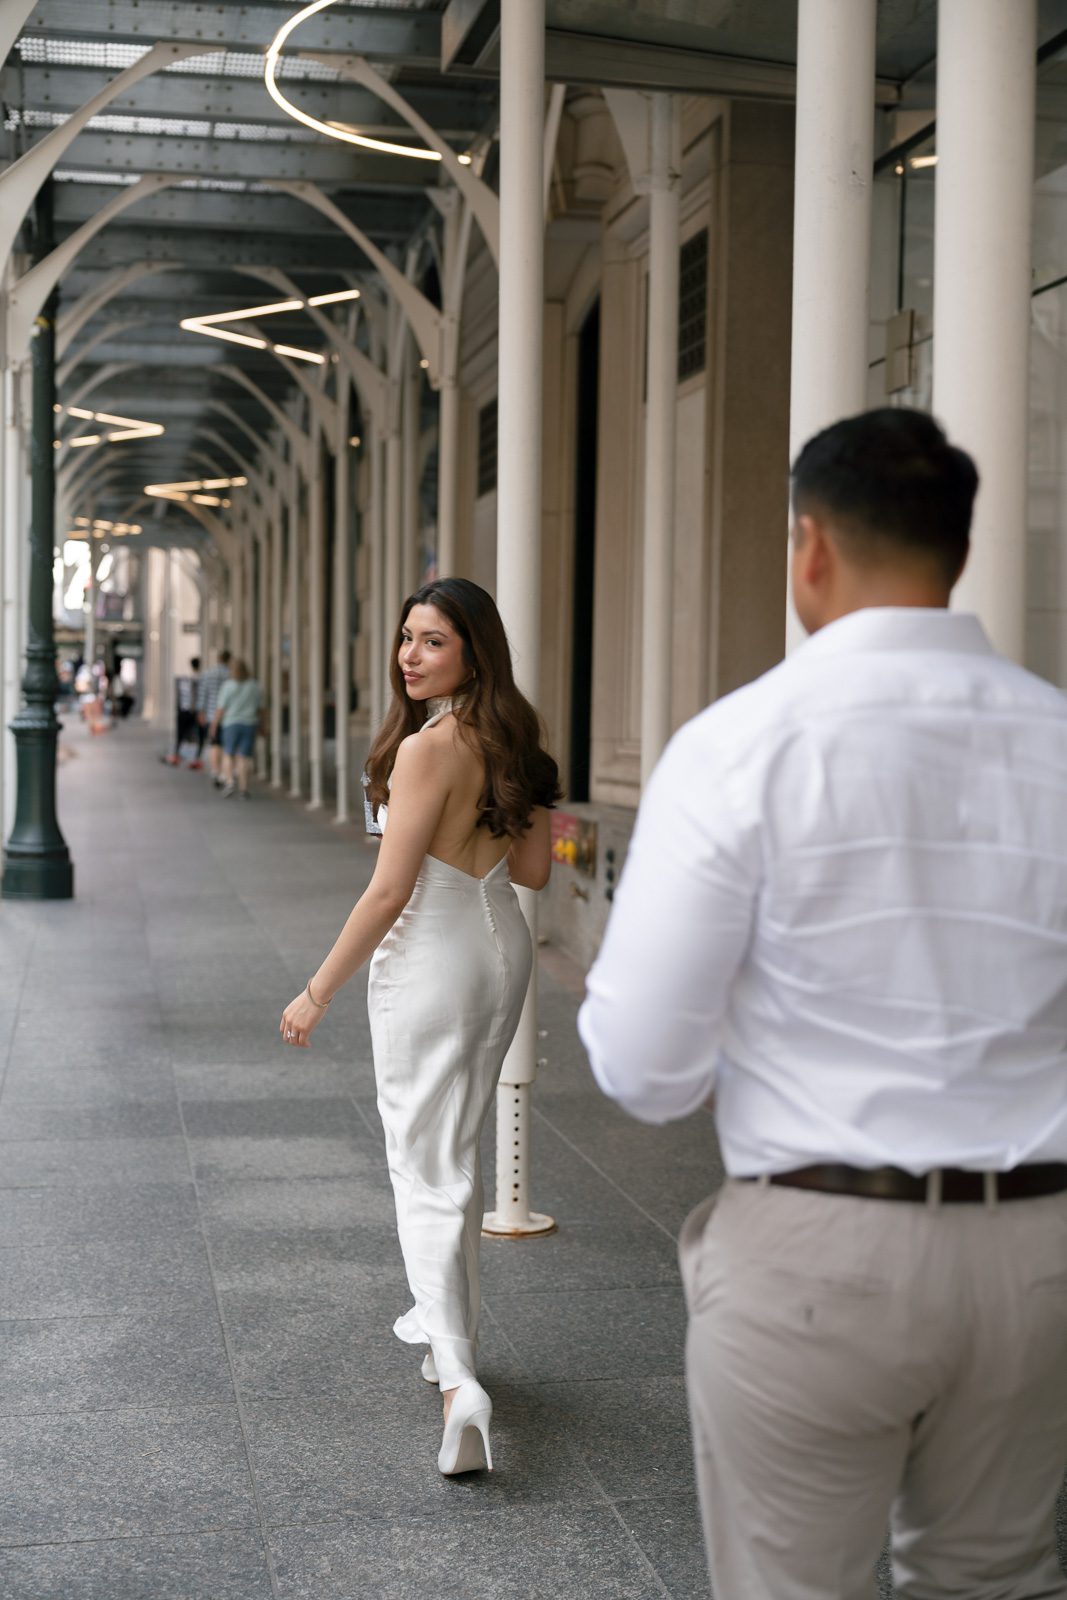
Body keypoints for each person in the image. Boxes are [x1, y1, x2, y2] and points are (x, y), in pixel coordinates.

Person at [578, 408, 1067, 1600]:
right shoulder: (1056, 741)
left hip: (818, 1249)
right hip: (1040, 1252)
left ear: (809, 546)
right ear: (951, 549)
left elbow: (641, 1067)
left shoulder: (740, 745)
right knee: (997, 1578)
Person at [279, 578, 559, 1476]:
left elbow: (389, 890)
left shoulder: (427, 751)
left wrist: (316, 988)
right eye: (406, 637)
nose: (409, 654)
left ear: (473, 649)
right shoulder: (513, 739)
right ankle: (452, 1346)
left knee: (421, 1162)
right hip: (498, 945)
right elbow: (535, 872)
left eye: (432, 640)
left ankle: (458, 1384)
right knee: (456, 1154)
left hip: (431, 958)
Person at [209, 657, 262, 798]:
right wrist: (263, 725)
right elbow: (261, 709)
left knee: (228, 754)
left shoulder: (228, 686)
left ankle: (230, 782)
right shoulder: (254, 686)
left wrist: (214, 724)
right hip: (249, 724)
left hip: (231, 724)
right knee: (244, 757)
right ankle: (244, 789)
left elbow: (221, 708)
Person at [197, 648, 230, 784]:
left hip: (211, 714)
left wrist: (201, 711)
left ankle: (215, 770)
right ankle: (223, 771)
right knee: (226, 745)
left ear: (218, 659)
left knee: (214, 744)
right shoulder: (231, 675)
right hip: (228, 716)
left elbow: (202, 694)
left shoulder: (208, 674)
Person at [163, 657, 200, 766]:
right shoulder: (197, 678)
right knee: (193, 736)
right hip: (194, 711)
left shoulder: (186, 679)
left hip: (185, 711)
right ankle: (190, 757)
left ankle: (179, 754)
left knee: (182, 734)